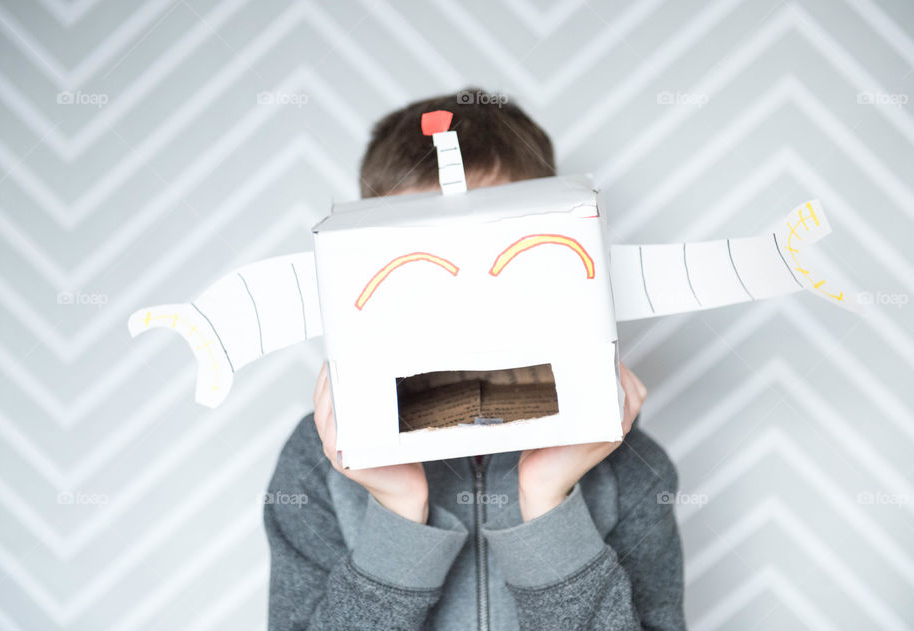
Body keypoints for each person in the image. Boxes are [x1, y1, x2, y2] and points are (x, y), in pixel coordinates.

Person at [264, 89, 686, 631]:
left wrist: (548, 502)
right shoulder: (316, 467)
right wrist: (396, 509)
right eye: (421, 261)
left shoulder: (630, 471)